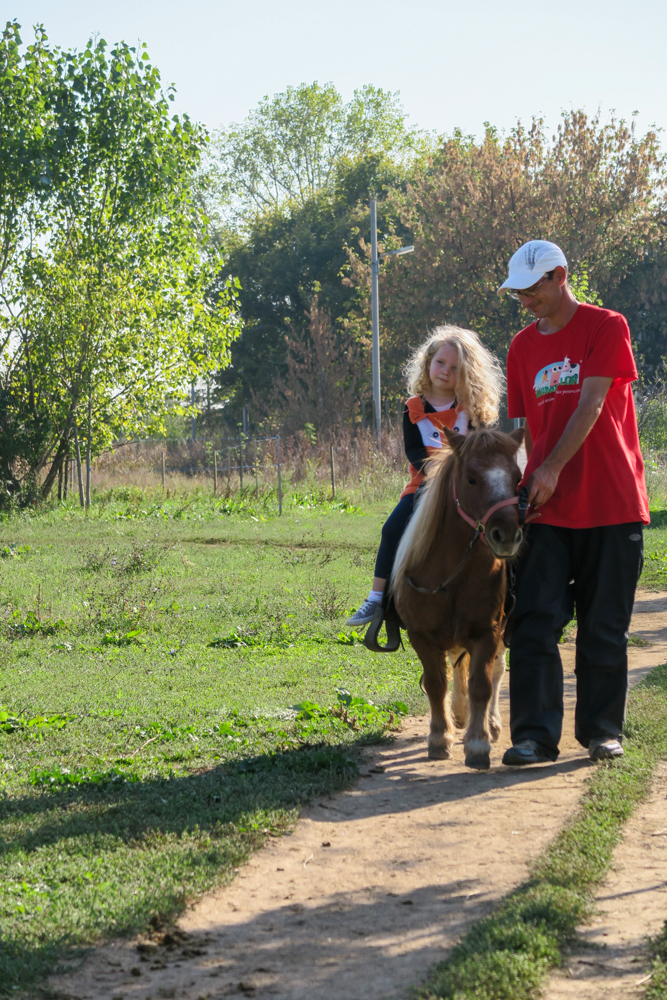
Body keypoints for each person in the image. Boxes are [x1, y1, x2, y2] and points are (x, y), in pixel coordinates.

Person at [499, 240, 649, 766]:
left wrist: (553, 468)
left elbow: (592, 402)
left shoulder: (606, 326)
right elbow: (521, 430)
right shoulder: (521, 348)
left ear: (559, 275)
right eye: (517, 291)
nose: (524, 299)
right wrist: (509, 483)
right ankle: (535, 736)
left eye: (532, 287)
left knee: (603, 623)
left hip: (611, 501)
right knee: (535, 621)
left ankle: (602, 731)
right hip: (546, 509)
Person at [346, 325, 503, 627]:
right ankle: (377, 600)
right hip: (423, 487)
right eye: (440, 363)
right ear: (428, 362)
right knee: (391, 530)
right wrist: (439, 476)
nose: (445, 371)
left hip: (468, 489)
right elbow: (414, 452)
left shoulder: (470, 410)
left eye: (455, 367)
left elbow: (484, 453)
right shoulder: (413, 408)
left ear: (467, 373)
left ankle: (510, 597)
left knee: (503, 525)